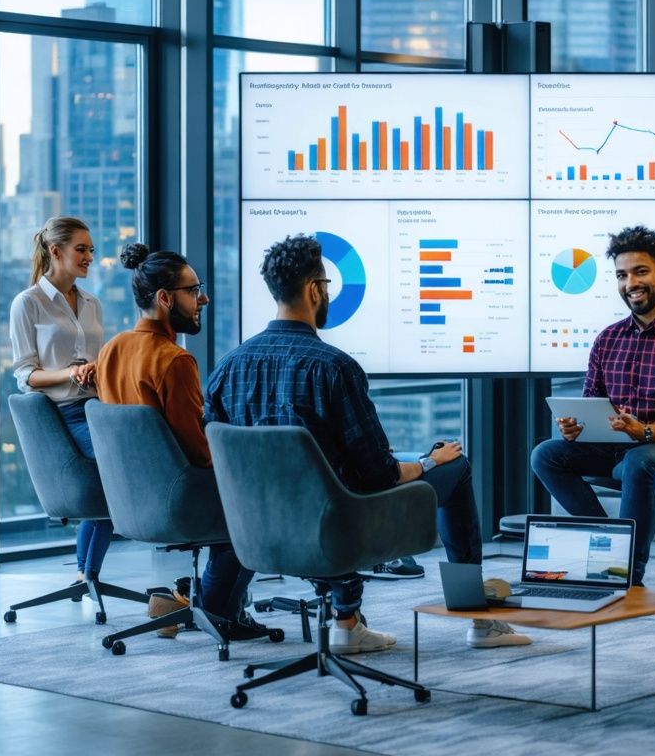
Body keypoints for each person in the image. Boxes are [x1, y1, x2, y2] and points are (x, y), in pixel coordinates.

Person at [203, 235, 532, 652]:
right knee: (457, 468)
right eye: (327, 285)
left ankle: (349, 619)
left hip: (255, 529)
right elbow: (381, 474)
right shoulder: (334, 368)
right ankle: (478, 622)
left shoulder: (227, 368)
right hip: (337, 526)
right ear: (315, 290)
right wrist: (429, 463)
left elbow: (221, 457)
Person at [530, 225, 655, 586]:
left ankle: (627, 573)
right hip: (615, 449)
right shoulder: (608, 339)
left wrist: (644, 431)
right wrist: (575, 428)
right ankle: (609, 543)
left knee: (640, 458)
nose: (631, 282)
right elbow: (593, 408)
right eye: (622, 275)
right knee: (546, 454)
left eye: (640, 271)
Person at [94, 243, 266, 641]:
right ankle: (220, 613)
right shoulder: (173, 360)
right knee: (258, 503)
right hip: (178, 503)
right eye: (194, 290)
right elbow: (201, 454)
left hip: (130, 504)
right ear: (165, 298)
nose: (203, 297)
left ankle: (188, 599)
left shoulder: (110, 352)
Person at [10, 217, 113, 586]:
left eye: (91, 250)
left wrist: (96, 370)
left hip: (97, 406)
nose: (89, 257)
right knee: (118, 468)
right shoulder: (29, 303)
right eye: (81, 249)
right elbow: (26, 375)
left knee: (129, 463)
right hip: (64, 414)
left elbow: (95, 360)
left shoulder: (92, 303)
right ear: (56, 251)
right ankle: (88, 575)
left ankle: (87, 575)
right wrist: (70, 374)